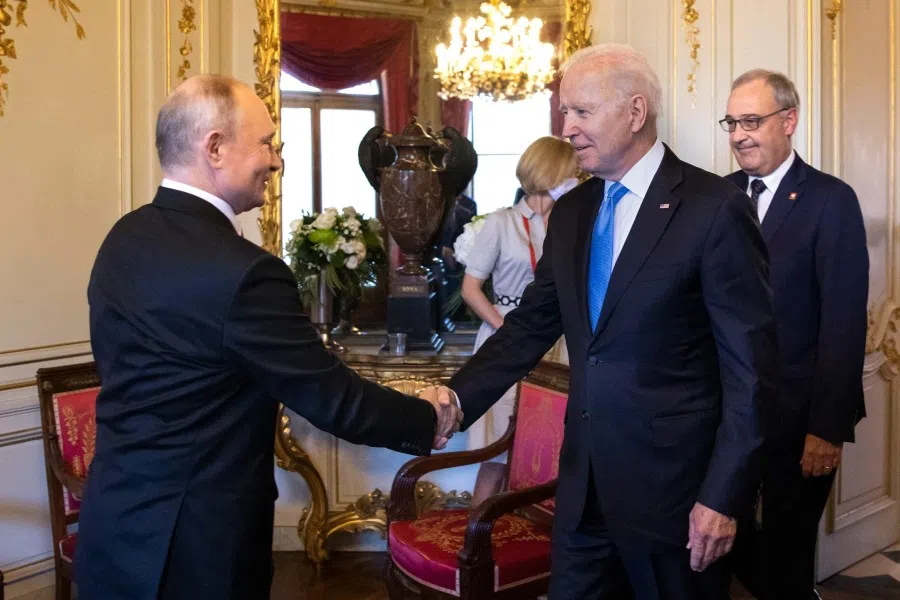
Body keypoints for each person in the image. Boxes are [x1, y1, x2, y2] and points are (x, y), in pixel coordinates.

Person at [76, 75, 461, 600]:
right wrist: (425, 417)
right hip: (200, 548)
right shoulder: (246, 272)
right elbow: (332, 399)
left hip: (113, 527)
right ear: (214, 147)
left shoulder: (121, 239)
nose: (276, 161)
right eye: (266, 143)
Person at [434, 43, 779, 599]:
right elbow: (529, 327)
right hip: (582, 495)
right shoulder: (573, 212)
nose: (566, 128)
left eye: (581, 111)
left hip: (675, 500)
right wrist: (456, 397)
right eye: (564, 112)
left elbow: (751, 373)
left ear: (635, 112)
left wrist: (723, 497)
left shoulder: (714, 208)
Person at [723, 69, 869, 600]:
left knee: (788, 549)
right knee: (723, 536)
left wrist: (827, 427)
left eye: (751, 121)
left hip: (801, 416)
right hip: (727, 412)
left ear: (789, 121)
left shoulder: (831, 200)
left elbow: (843, 321)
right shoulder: (718, 196)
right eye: (732, 123)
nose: (739, 135)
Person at [459, 136, 577, 503]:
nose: (578, 177)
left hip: (558, 340)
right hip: (507, 333)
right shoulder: (501, 223)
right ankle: (480, 531)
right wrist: (507, 330)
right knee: (498, 451)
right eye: (572, 172)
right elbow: (470, 289)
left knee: (551, 449)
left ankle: (538, 531)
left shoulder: (570, 222)